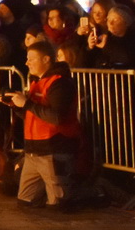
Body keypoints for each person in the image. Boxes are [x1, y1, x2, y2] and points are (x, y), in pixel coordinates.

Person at [5, 39, 82, 210]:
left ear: (46, 59)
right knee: (25, 202)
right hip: (34, 149)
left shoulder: (59, 83)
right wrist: (15, 106)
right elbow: (32, 114)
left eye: (31, 59)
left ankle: (85, 192)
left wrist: (27, 104)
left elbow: (57, 117)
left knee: (60, 205)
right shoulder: (36, 82)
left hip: (53, 148)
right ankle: (55, 192)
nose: (27, 63)